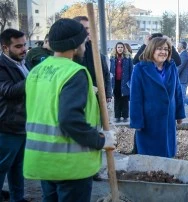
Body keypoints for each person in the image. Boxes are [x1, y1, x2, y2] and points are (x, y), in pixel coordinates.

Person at [23, 18, 116, 202]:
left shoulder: (37, 71)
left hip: (43, 160)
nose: (85, 43)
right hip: (69, 165)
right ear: (75, 43)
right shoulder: (74, 73)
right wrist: (100, 140)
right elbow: (69, 120)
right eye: (84, 39)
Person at [130, 37, 185, 158]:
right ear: (151, 50)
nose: (163, 52)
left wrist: (180, 114)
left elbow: (178, 92)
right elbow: (135, 98)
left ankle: (166, 174)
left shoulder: (171, 67)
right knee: (149, 155)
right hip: (149, 120)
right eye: (159, 49)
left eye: (166, 49)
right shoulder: (140, 69)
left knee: (167, 152)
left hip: (168, 119)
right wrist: (137, 121)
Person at [0, 28, 29, 202]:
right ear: (5, 48)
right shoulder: (1, 65)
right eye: (18, 46)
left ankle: (18, 199)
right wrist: (34, 78)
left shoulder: (22, 62)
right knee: (2, 167)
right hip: (7, 127)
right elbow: (8, 91)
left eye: (24, 44)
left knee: (18, 168)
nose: (23, 49)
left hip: (22, 126)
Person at [73, 16, 112, 103]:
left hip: (98, 99)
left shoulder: (96, 51)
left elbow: (105, 73)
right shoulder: (71, 52)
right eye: (84, 28)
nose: (87, 32)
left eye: (88, 28)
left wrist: (108, 93)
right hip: (80, 99)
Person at [110, 42, 133, 123]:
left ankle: (125, 116)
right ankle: (117, 116)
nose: (120, 49)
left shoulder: (128, 58)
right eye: (118, 47)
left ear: (124, 49)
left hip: (125, 82)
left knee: (124, 99)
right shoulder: (112, 58)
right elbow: (110, 70)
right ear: (116, 49)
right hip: (116, 81)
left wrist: (130, 82)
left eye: (121, 47)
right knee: (117, 99)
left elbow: (131, 71)